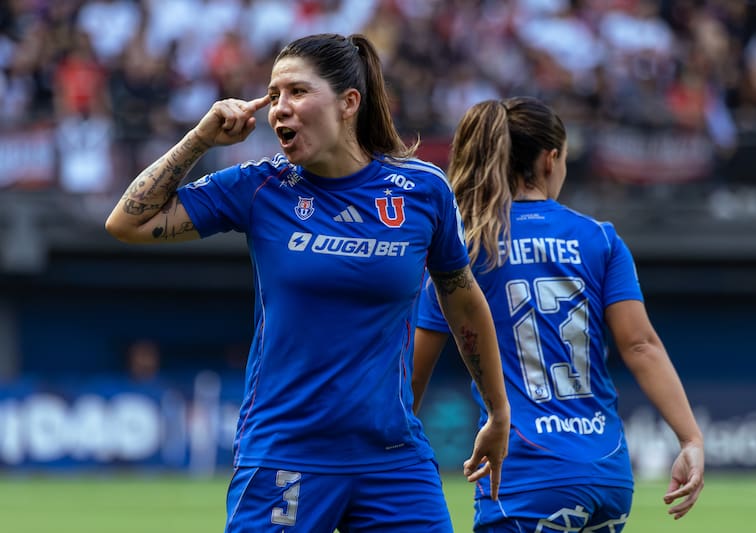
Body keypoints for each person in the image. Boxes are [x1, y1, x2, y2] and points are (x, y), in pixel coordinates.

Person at [105, 33, 510, 533]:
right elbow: (128, 221)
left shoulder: (423, 190)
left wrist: (497, 410)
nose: (279, 109)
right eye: (273, 96)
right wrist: (202, 138)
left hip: (392, 459)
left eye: (296, 92)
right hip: (284, 455)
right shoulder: (260, 186)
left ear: (348, 103)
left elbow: (462, 300)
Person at [412, 96, 704, 532]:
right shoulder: (599, 239)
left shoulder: (467, 247)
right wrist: (690, 439)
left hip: (527, 472)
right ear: (550, 160)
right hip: (608, 473)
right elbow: (641, 345)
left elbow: (414, 371)